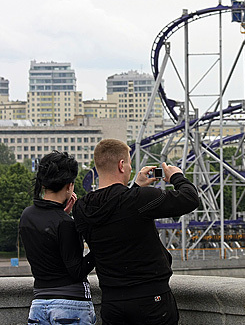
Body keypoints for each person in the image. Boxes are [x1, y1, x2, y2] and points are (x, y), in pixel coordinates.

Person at [73, 138, 199, 325]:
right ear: (121, 165)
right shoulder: (138, 200)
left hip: (112, 302)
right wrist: (176, 176)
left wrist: (136, 187)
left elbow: (117, 212)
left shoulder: (81, 208)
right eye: (130, 165)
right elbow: (189, 198)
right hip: (151, 299)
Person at [19, 151, 96, 325]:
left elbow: (48, 237)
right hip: (71, 304)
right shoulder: (65, 223)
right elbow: (77, 271)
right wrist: (99, 246)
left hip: (39, 304)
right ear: (69, 186)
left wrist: (64, 216)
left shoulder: (27, 215)